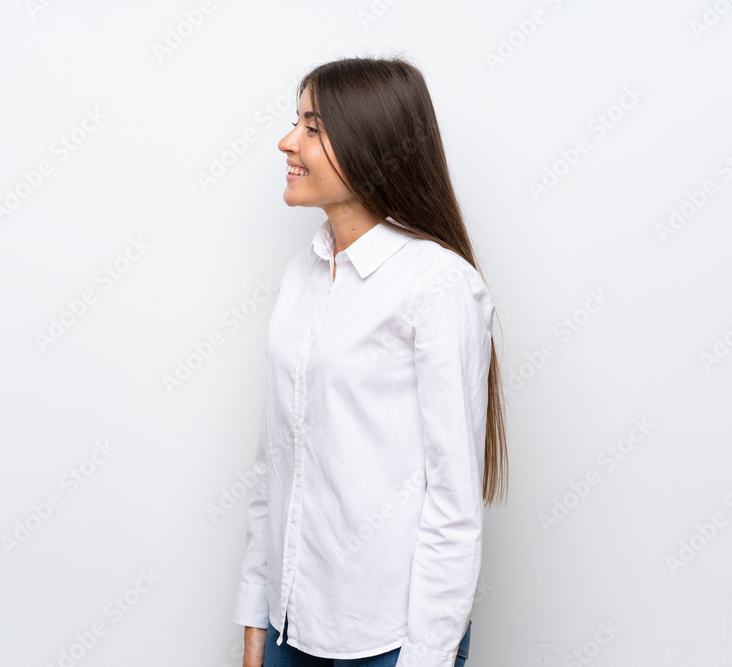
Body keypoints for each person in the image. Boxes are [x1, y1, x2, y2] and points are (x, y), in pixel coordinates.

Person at [231, 55, 508, 667]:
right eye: (296, 122)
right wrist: (255, 615)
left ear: (370, 144)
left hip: (388, 637)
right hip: (288, 624)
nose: (287, 142)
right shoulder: (301, 275)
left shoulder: (438, 285)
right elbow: (275, 462)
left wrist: (425, 656)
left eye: (311, 127)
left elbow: (454, 500)